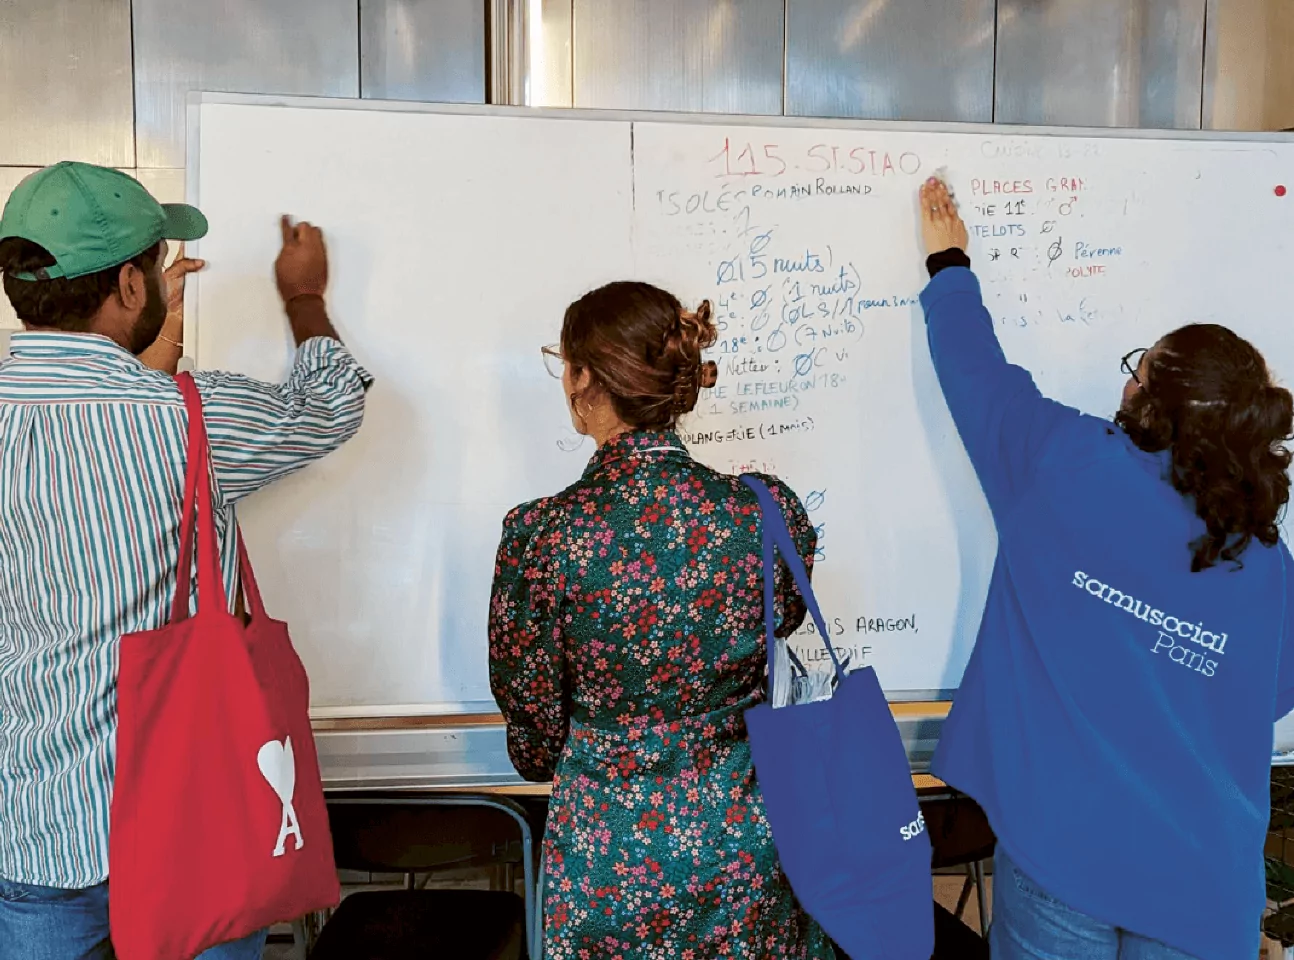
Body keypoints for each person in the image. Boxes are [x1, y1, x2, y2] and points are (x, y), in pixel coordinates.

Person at [0, 161, 372, 960]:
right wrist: (303, 299)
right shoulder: (189, 419)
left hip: (31, 823)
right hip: (195, 821)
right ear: (132, 286)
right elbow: (333, 404)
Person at [916, 177, 1294, 960]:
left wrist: (949, 265)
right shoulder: (1263, 560)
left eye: (1140, 367)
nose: (1125, 378)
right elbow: (1270, 698)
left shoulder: (1059, 464)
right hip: (1203, 880)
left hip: (1064, 855)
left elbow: (972, 371)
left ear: (1153, 399)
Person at [488, 281, 832, 958]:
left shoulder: (544, 535)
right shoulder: (764, 512)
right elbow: (783, 622)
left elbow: (533, 722)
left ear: (585, 377)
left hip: (606, 860)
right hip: (748, 841)